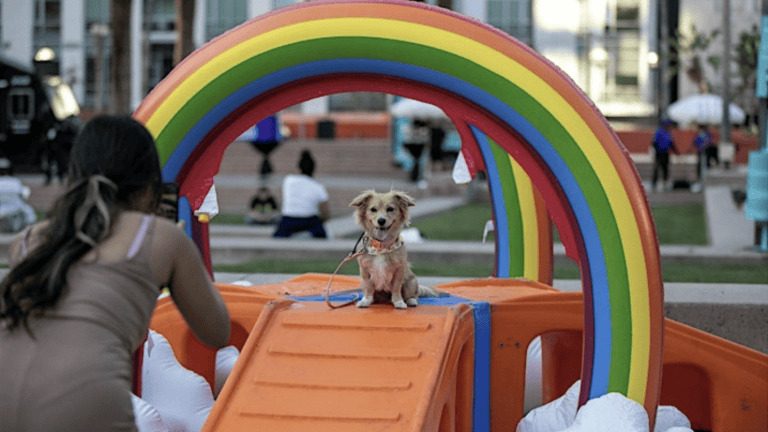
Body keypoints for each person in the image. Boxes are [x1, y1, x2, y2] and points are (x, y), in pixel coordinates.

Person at [0, 115, 230, 431]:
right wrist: (182, 258)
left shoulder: (27, 241)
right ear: (150, 189)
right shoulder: (159, 237)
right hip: (87, 403)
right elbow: (216, 332)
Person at [273, 150, 330, 238]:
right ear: (313, 169)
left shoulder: (288, 180)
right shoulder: (318, 187)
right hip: (309, 220)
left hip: (288, 220)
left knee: (277, 236)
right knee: (323, 236)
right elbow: (325, 214)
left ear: (299, 167)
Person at [0, 158, 37, 233]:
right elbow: (25, 195)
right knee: (31, 214)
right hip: (17, 208)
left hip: (2, 209)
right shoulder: (16, 182)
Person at [651, 118, 679, 192]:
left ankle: (665, 183)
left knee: (665, 168)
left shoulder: (668, 133)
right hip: (659, 153)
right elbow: (654, 142)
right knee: (657, 168)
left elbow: (671, 143)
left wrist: (676, 152)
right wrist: (657, 149)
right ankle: (654, 183)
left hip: (666, 153)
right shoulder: (659, 132)